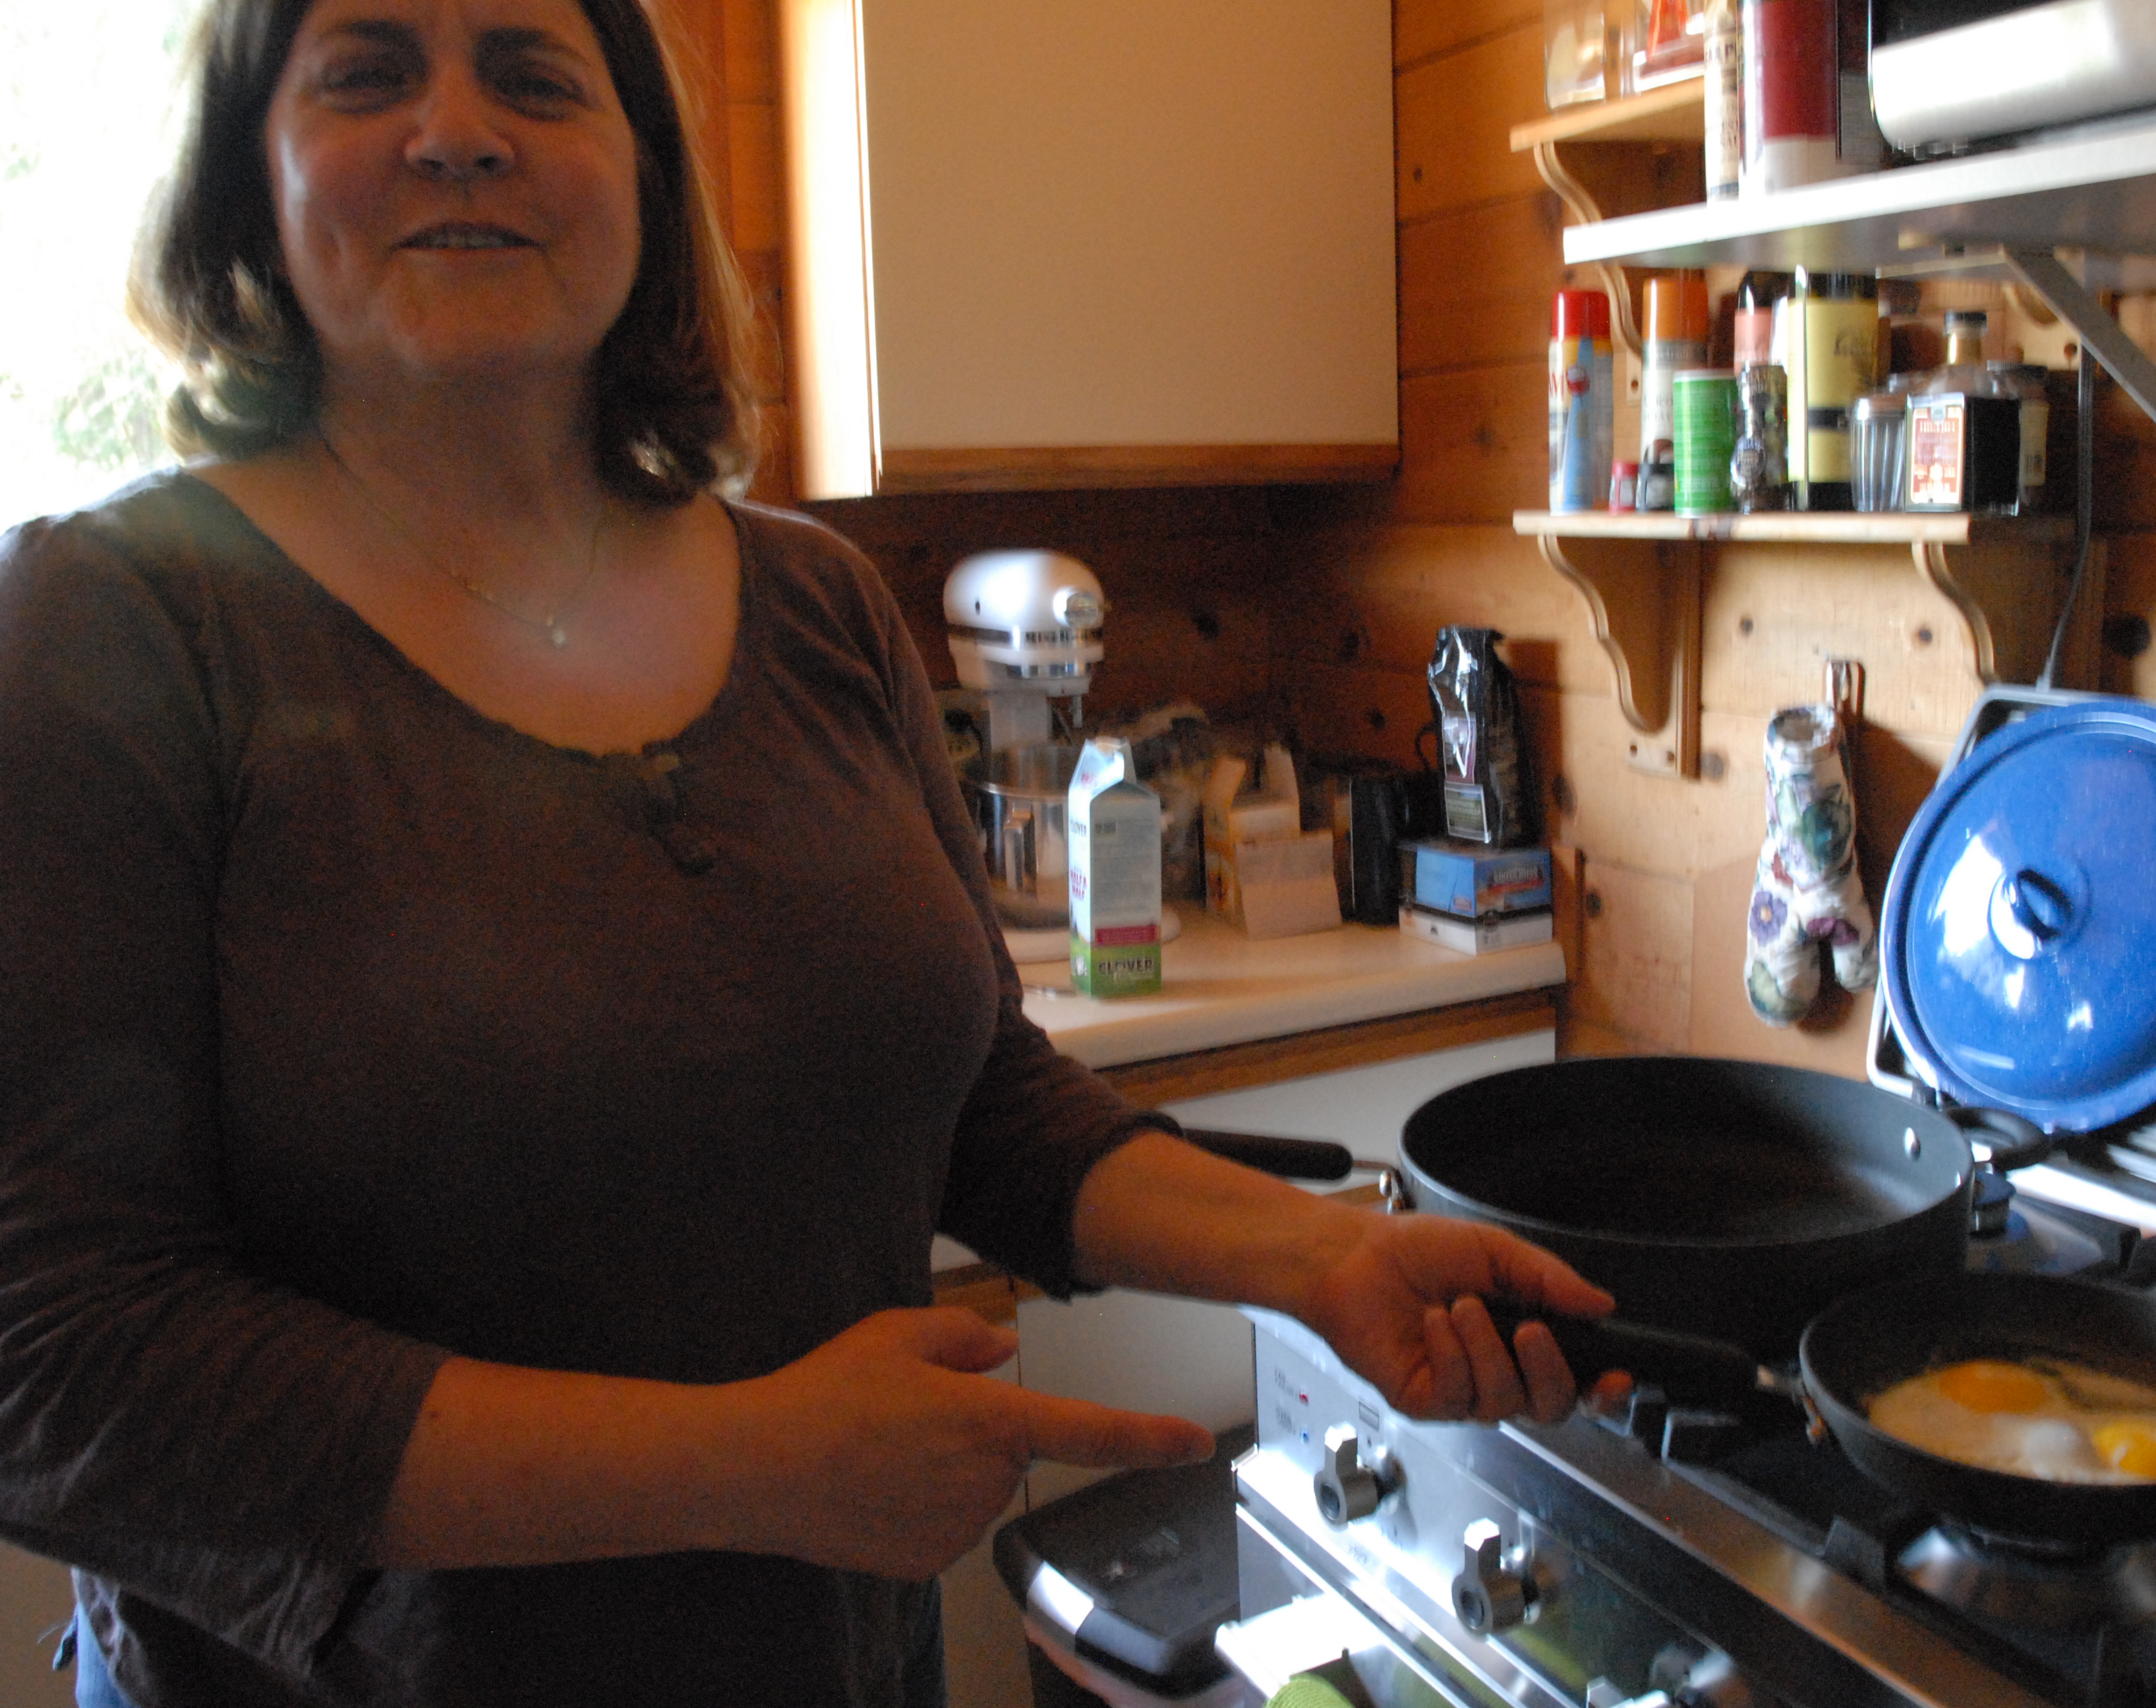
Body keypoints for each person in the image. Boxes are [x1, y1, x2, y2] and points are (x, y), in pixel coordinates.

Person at [0, 1, 1621, 1703]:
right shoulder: (112, 628)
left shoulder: (816, 605)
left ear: (642, 177)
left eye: (534, 76)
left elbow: (981, 1106)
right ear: (246, 171)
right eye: (368, 70)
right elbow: (50, 1358)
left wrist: (1325, 1260)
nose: (459, 128)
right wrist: (741, 1464)